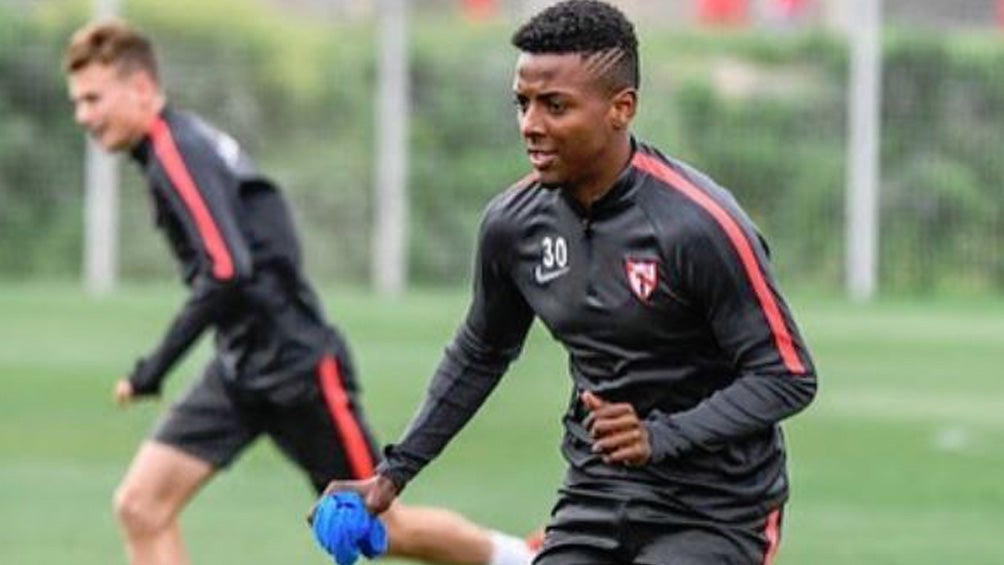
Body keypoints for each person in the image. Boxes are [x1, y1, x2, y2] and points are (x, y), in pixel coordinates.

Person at [317, 1, 818, 564]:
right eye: (522, 103)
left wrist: (660, 436)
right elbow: (481, 352)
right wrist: (390, 476)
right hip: (597, 494)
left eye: (555, 106)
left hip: (719, 508)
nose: (531, 124)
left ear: (620, 109)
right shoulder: (513, 224)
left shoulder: (698, 224)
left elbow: (788, 376)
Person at [64, 20, 535, 565]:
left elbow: (226, 268)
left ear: (141, 88)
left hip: (298, 365)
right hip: (240, 364)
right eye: (78, 102)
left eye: (94, 99)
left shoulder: (175, 150)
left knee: (386, 527)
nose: (85, 117)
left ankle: (517, 559)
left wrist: (153, 368)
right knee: (140, 506)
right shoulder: (172, 148)